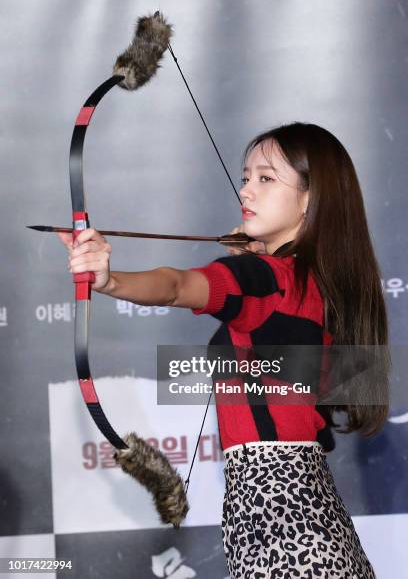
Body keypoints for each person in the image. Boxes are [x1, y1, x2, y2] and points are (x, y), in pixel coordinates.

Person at [59, 122, 389, 578]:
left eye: (266, 178)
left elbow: (178, 286)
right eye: (245, 176)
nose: (247, 189)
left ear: (312, 199)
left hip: (283, 532)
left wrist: (110, 281)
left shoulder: (266, 278)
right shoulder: (313, 284)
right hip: (307, 519)